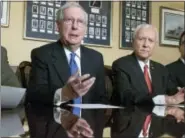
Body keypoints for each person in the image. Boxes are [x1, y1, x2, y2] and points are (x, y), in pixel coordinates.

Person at [26, 2, 107, 106]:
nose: (75, 26)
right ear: (58, 26)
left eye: (80, 22)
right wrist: (64, 94)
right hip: (55, 119)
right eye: (69, 20)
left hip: (87, 121)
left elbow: (102, 98)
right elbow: (34, 96)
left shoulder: (96, 58)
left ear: (86, 29)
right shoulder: (42, 54)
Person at [111, 24, 184, 106]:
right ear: (133, 41)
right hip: (133, 116)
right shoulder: (121, 65)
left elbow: (173, 93)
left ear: (155, 45)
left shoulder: (161, 69)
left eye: (151, 40)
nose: (146, 45)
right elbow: (126, 96)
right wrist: (165, 100)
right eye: (141, 39)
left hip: (158, 117)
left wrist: (181, 93)